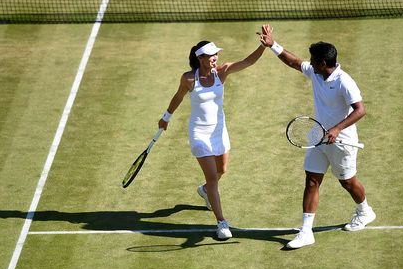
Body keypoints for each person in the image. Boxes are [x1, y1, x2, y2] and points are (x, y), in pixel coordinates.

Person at [260, 24, 376, 249]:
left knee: (348, 182)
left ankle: (365, 211)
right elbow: (293, 61)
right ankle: (306, 231)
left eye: (313, 60)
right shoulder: (315, 71)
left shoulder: (345, 81)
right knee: (312, 179)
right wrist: (272, 44)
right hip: (317, 135)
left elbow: (360, 110)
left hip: (341, 142)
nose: (309, 62)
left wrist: (337, 129)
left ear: (324, 63)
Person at [158, 36, 266, 239]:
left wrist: (263, 46)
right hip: (199, 134)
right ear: (200, 58)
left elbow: (247, 62)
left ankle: (205, 190)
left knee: (221, 170)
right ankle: (222, 223)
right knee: (213, 178)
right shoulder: (189, 78)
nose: (215, 58)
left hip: (219, 131)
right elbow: (178, 97)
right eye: (211, 55)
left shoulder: (222, 72)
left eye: (216, 54)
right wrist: (166, 118)